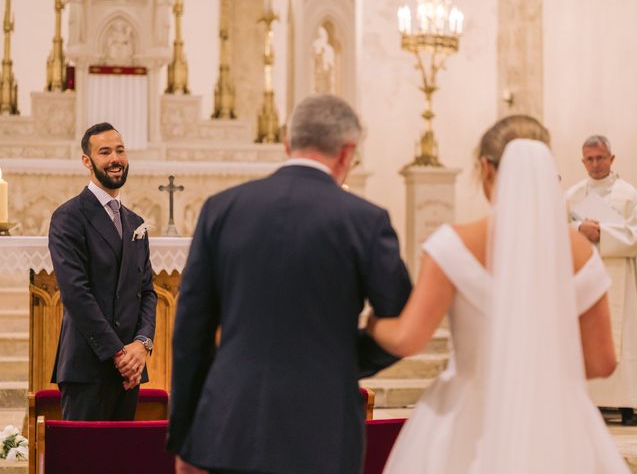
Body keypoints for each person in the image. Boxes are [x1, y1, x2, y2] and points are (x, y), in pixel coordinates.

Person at [367, 115, 629, 473]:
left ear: (486, 169)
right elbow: (602, 362)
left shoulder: (453, 244)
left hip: (468, 420)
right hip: (556, 423)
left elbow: (408, 339)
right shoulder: (580, 252)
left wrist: (375, 323)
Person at [167, 94, 412, 474]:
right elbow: (402, 320)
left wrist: (184, 439)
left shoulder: (222, 209)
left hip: (229, 425)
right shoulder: (366, 221)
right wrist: (341, 360)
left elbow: (189, 334)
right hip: (323, 428)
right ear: (347, 153)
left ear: (287, 143)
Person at [48, 122, 157, 421]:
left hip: (129, 371)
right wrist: (118, 354)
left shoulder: (136, 222)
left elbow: (147, 290)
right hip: (88, 366)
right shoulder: (69, 217)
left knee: (121, 463)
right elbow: (75, 293)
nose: (115, 159)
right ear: (87, 160)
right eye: (105, 152)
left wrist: (141, 345)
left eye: (120, 150)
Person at [565, 135, 637, 426]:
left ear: (612, 158)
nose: (595, 164)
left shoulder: (630, 195)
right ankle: (591, 402)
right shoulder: (572, 195)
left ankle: (626, 405)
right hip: (584, 276)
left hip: (620, 275)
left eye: (600, 158)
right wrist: (578, 226)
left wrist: (603, 234)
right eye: (590, 159)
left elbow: (636, 236)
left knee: (624, 336)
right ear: (583, 161)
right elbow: (557, 230)